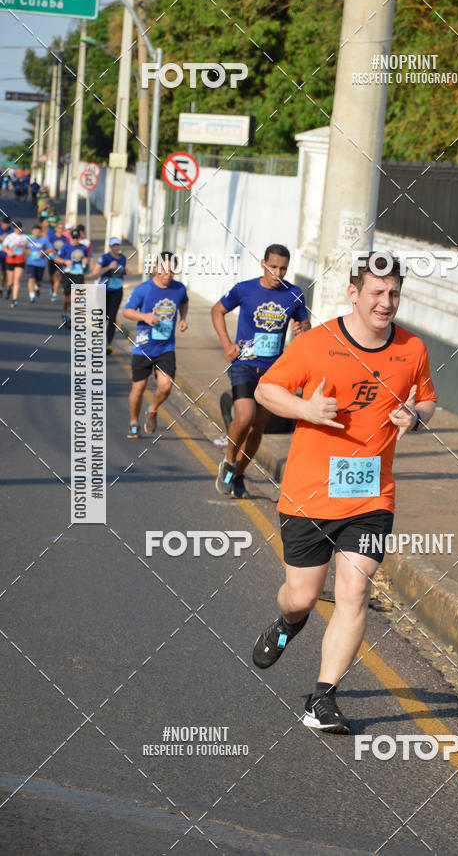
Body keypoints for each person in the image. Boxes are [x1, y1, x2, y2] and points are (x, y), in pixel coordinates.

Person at [251, 253, 437, 733]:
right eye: (377, 293)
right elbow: (267, 390)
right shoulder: (316, 344)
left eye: (393, 293)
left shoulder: (412, 348)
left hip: (372, 497)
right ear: (353, 293)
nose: (386, 302)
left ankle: (322, 699)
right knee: (301, 597)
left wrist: (415, 417)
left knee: (354, 590)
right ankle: (288, 624)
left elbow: (428, 398)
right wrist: (304, 410)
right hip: (309, 496)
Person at [211, 244, 310, 500]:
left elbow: (305, 325)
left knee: (258, 428)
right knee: (244, 416)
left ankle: (239, 474)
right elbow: (217, 311)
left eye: (283, 268)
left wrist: (302, 329)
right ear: (263, 264)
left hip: (275, 371)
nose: (278, 273)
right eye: (273, 266)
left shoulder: (295, 294)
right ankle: (229, 462)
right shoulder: (245, 289)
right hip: (244, 363)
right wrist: (226, 344)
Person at [122, 251, 188, 440]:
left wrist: (183, 319)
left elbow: (184, 303)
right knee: (139, 388)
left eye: (172, 270)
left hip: (166, 347)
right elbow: (127, 312)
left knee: (166, 386)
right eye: (165, 269)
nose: (168, 273)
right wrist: (145, 317)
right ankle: (133, 421)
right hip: (143, 346)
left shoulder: (179, 288)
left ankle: (152, 410)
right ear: (157, 268)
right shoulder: (144, 289)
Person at [92, 236, 127, 354]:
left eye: (117, 245)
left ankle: (109, 344)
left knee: (112, 317)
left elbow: (123, 271)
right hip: (103, 290)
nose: (116, 247)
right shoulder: (105, 258)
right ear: (110, 247)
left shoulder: (123, 258)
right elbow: (95, 273)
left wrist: (125, 271)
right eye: (114, 245)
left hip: (117, 290)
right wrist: (108, 267)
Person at [54, 228, 89, 327]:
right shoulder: (65, 247)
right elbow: (56, 259)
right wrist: (65, 262)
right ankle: (64, 313)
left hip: (78, 274)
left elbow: (86, 257)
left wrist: (85, 261)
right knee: (67, 298)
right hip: (67, 273)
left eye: (77, 238)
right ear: (71, 238)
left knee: (76, 297)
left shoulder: (83, 248)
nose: (75, 240)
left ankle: (72, 318)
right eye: (73, 238)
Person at [2, 219, 29, 307]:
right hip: (10, 260)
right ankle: (9, 289)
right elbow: (3, 247)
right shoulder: (10, 236)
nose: (18, 229)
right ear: (14, 228)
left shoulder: (25, 237)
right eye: (16, 228)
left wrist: (26, 251)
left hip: (20, 260)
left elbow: (28, 248)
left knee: (17, 280)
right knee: (10, 282)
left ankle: (14, 300)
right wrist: (8, 252)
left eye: (19, 228)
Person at [25, 224, 52, 303]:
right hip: (31, 263)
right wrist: (27, 252)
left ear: (40, 232)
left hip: (41, 264)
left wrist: (43, 252)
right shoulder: (28, 239)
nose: (36, 233)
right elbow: (23, 247)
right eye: (35, 231)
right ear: (32, 231)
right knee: (31, 279)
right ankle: (32, 296)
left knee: (38, 281)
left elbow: (50, 249)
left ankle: (37, 288)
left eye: (38, 232)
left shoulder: (45, 239)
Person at [47, 220, 69, 302]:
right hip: (52, 259)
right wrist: (50, 250)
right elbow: (47, 246)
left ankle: (54, 294)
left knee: (57, 276)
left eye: (62, 228)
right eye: (59, 228)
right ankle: (53, 287)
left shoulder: (65, 239)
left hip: (60, 260)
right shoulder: (51, 237)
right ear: (56, 229)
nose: (60, 230)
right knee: (51, 277)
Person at [0, 214, 11, 295]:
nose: (5, 225)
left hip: (6, 255)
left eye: (7, 224)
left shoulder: (11, 231)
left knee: (4, 273)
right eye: (4, 223)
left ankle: (2, 287)